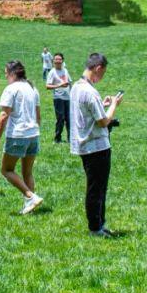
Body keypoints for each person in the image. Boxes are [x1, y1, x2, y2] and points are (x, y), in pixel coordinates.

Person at [70, 53, 123, 237]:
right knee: (97, 188)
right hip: (97, 146)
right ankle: (95, 227)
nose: (102, 76)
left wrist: (102, 103)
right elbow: (103, 121)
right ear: (98, 68)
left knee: (96, 186)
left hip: (85, 145)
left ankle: (99, 223)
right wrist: (114, 104)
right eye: (103, 73)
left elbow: (88, 112)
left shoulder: (76, 87)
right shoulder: (90, 91)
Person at [0, 60, 44, 215]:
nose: (6, 75)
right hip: (33, 134)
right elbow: (38, 116)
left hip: (17, 135)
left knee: (6, 170)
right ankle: (30, 206)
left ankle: (30, 197)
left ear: (13, 73)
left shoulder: (11, 89)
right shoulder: (32, 88)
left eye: (6, 73)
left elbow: (3, 115)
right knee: (27, 172)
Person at [46, 53, 72, 143]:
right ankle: (57, 139)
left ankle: (70, 139)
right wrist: (60, 85)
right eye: (56, 59)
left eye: (59, 59)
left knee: (69, 119)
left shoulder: (65, 71)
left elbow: (70, 82)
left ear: (62, 61)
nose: (58, 61)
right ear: (53, 61)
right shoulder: (52, 72)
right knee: (60, 118)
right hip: (58, 98)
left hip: (68, 98)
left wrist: (72, 93)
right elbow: (47, 86)